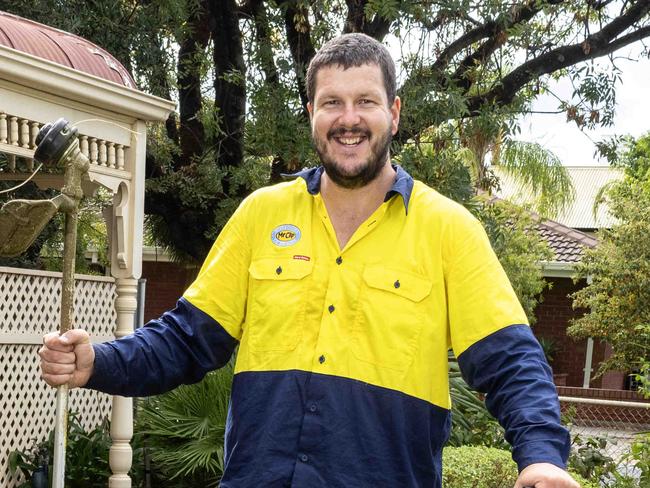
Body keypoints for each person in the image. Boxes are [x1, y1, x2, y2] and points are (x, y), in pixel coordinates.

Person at [40, 33, 579, 488]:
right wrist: (100, 362)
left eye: (366, 101)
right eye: (332, 103)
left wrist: (541, 457)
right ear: (312, 114)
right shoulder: (260, 215)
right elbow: (187, 339)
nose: (349, 119)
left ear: (393, 112)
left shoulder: (448, 230)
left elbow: (511, 361)